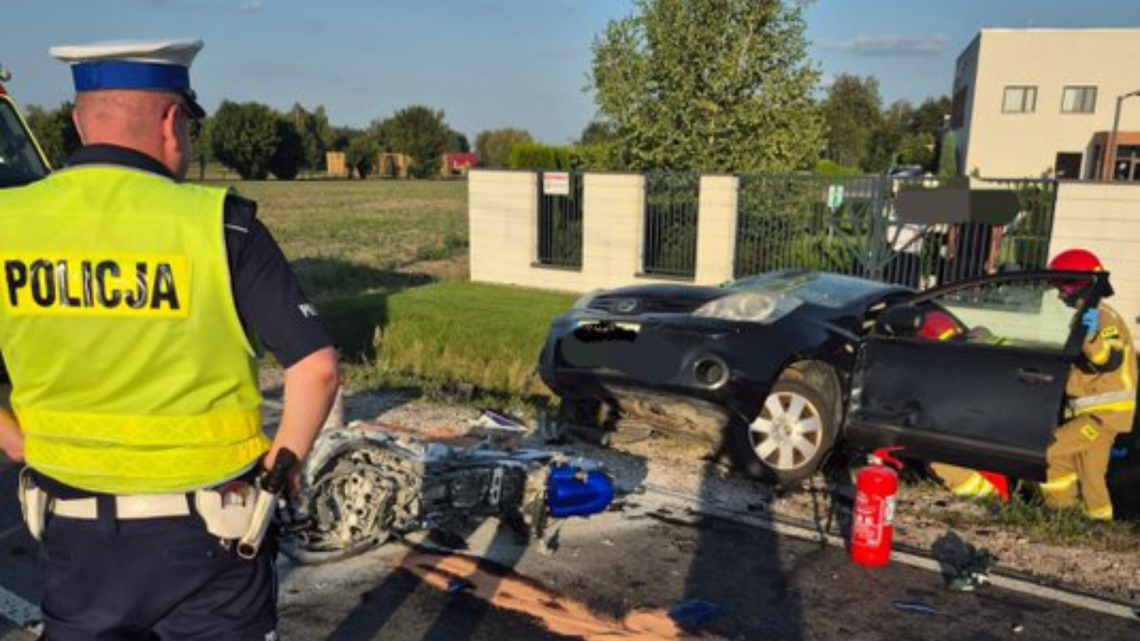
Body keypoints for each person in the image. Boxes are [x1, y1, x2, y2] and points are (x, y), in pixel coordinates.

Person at [0, 39, 339, 639]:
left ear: (80, 122)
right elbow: (315, 369)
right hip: (211, 540)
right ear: (171, 120)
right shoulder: (222, 224)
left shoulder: (9, 223)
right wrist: (281, 466)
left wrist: (16, 441)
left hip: (72, 535)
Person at [1040, 249, 1136, 520]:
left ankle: (1059, 512)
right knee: (1091, 475)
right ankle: (1098, 523)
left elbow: (1109, 359)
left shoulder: (1101, 316)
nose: (1059, 294)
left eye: (1061, 286)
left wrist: (1090, 335)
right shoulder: (1089, 314)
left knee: (1050, 452)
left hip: (1101, 415)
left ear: (1078, 284)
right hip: (1099, 413)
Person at [916, 311, 1011, 501]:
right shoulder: (979, 353)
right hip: (999, 454)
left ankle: (990, 499)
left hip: (991, 487)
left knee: (935, 456)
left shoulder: (955, 368)